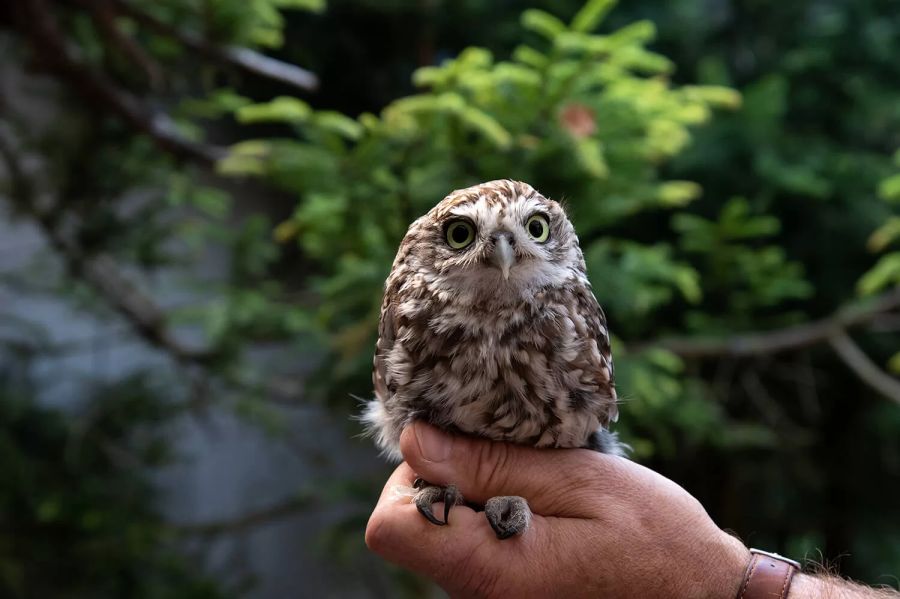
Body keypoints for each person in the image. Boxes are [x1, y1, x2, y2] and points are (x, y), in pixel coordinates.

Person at [366, 422, 899, 598]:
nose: (504, 251)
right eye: (462, 236)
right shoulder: (412, 314)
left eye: (533, 229)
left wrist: (716, 583)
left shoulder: (567, 309)